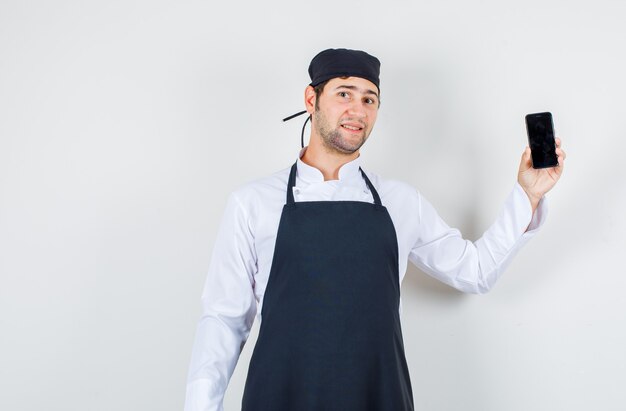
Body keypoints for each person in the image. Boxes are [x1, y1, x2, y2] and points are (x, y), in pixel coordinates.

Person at [184, 48, 566, 411]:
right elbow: (223, 319)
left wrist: (527, 196)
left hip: (377, 396)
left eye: (369, 99)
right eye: (344, 93)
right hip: (280, 396)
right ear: (311, 99)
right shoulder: (252, 202)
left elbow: (476, 271)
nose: (357, 109)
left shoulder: (400, 201)